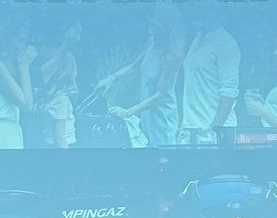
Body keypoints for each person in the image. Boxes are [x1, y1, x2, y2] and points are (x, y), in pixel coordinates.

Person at [100, 8, 182, 148]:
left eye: (157, 21)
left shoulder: (172, 56)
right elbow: (134, 66)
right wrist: (111, 79)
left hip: (163, 119)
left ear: (168, 27)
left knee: (162, 154)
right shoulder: (151, 43)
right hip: (147, 114)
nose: (152, 23)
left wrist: (127, 112)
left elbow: (160, 95)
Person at [179, 17, 241, 142]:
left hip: (216, 131)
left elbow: (229, 92)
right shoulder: (198, 37)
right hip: (191, 130)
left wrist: (213, 130)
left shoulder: (226, 43)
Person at [0, 23, 34, 149]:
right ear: (5, 41)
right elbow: (26, 104)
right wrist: (25, 65)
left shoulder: (5, 69)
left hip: (7, 132)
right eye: (20, 40)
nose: (24, 47)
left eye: (26, 42)